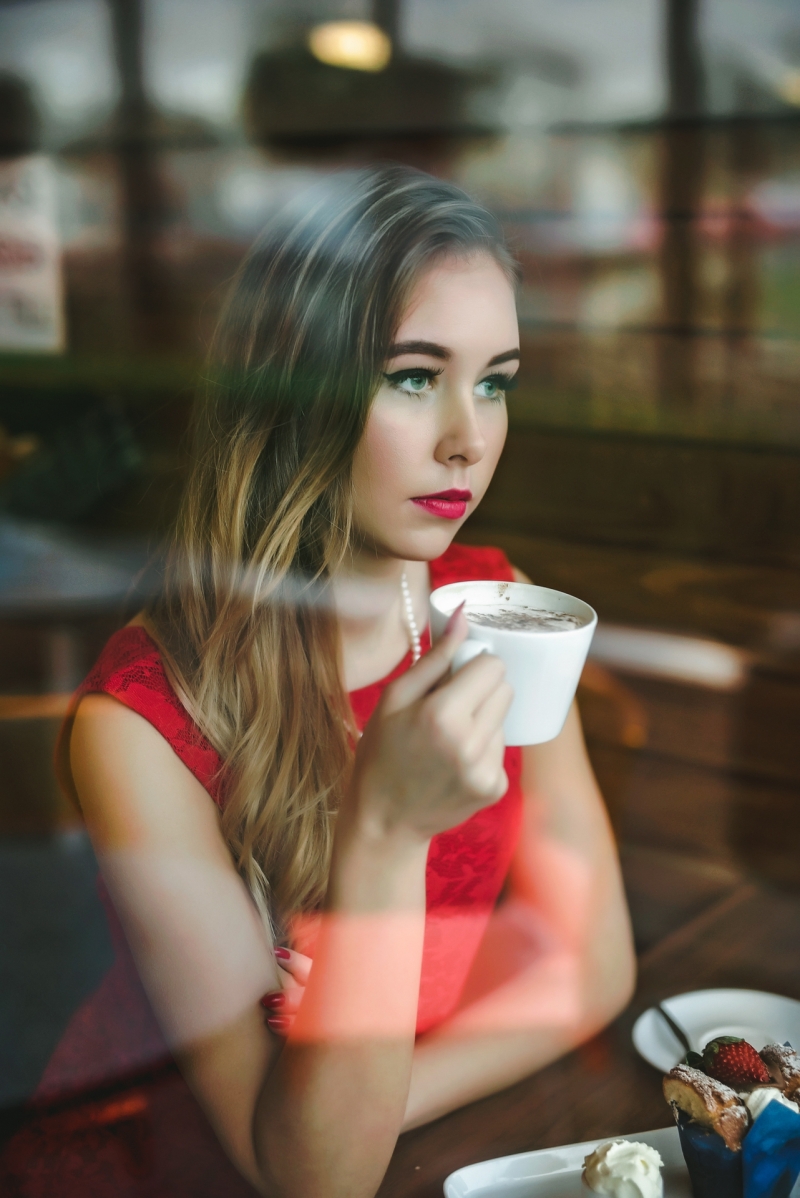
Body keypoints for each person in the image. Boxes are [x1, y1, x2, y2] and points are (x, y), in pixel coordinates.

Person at [13, 166, 635, 1198]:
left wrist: (368, 1100)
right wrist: (384, 833)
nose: (466, 438)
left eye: (493, 380)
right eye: (410, 375)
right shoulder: (145, 723)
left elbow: (591, 965)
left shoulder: (497, 606)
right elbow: (301, 1175)